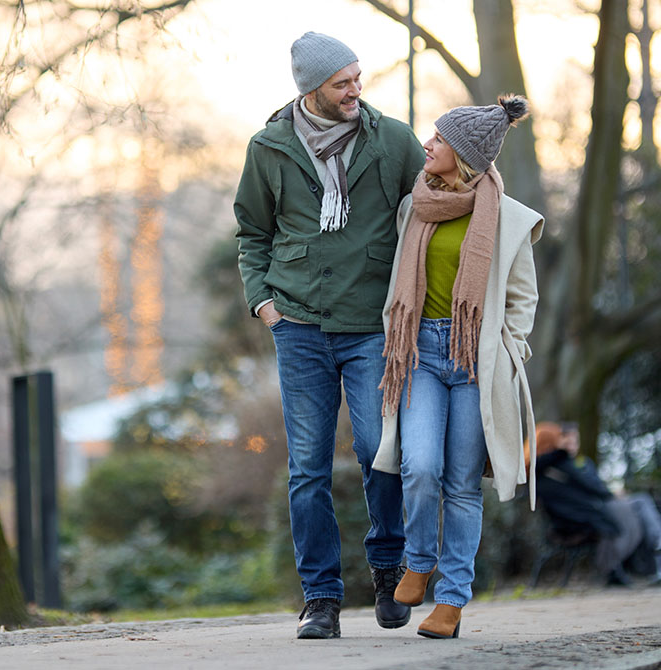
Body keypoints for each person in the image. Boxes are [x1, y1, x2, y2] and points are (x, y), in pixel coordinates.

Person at [234, 32, 425, 639]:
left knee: (378, 452)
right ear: (310, 89)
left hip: (372, 324)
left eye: (357, 78)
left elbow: (430, 207)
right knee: (308, 468)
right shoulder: (268, 147)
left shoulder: (392, 139)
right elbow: (251, 232)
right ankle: (321, 598)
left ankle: (389, 570)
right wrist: (263, 302)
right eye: (342, 84)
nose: (355, 92)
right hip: (299, 324)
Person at [372, 95, 543, 639]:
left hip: (476, 361)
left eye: (440, 140)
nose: (428, 144)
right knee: (419, 466)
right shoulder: (414, 208)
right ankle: (419, 561)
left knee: (463, 486)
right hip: (419, 353)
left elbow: (523, 300)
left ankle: (451, 601)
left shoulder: (509, 220)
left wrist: (507, 348)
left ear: (465, 155)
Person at [535, 421, 661, 585]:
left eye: (575, 441)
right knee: (638, 505)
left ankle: (651, 552)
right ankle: (653, 548)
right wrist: (611, 494)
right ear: (553, 443)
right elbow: (591, 490)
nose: (570, 446)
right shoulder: (559, 467)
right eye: (564, 441)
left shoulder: (559, 467)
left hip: (589, 512)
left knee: (640, 504)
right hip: (582, 518)